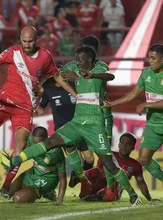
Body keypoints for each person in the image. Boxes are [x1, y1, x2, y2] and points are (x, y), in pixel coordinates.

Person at [0, 46, 142, 206]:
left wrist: (88, 75)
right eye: (76, 59)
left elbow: (110, 76)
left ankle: (132, 194)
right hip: (77, 122)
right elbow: (55, 75)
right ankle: (14, 161)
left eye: (80, 60)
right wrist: (41, 87)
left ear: (90, 60)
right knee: (50, 142)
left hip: (94, 124)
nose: (76, 63)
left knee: (109, 164)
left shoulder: (100, 67)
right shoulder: (72, 67)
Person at [0, 26, 77, 198]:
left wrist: (75, 94)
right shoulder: (12, 51)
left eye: (30, 41)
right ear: (20, 38)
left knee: (20, 146)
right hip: (4, 101)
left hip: (25, 108)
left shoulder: (45, 56)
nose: (26, 44)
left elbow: (56, 77)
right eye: (24, 41)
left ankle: (5, 186)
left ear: (36, 39)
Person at [103, 43, 163, 207]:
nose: (150, 61)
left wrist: (146, 105)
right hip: (153, 125)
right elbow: (133, 94)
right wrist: (112, 104)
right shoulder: (146, 73)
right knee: (143, 158)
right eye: (149, 57)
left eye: (153, 58)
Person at [60, 35, 113, 193]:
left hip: (97, 110)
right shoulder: (77, 65)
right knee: (101, 154)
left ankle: (87, 180)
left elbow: (106, 77)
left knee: (93, 157)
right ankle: (94, 184)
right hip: (88, 113)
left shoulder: (100, 66)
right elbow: (58, 76)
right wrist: (75, 94)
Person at [81, 133, 153, 202]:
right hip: (95, 186)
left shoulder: (135, 165)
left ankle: (99, 196)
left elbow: (141, 183)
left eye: (128, 144)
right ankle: (79, 176)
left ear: (133, 147)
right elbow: (96, 174)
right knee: (96, 171)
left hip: (113, 192)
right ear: (118, 144)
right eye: (122, 142)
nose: (124, 146)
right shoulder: (108, 155)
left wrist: (149, 198)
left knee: (116, 182)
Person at [8, 126, 67, 204]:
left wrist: (60, 199)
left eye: (38, 143)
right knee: (9, 192)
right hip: (33, 172)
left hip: (47, 179)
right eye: (34, 142)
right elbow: (23, 153)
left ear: (46, 141)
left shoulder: (55, 151)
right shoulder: (30, 140)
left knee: (17, 198)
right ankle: (36, 192)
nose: (35, 146)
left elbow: (63, 177)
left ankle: (46, 191)